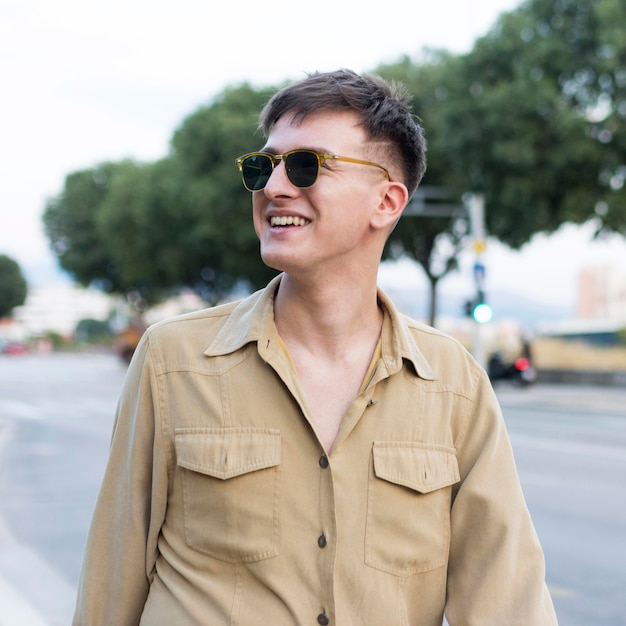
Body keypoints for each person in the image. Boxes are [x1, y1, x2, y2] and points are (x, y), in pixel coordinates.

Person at [73, 69, 558, 625]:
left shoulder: (454, 385)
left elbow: (507, 600)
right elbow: (110, 585)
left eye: (307, 165)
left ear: (387, 201)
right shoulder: (171, 361)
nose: (275, 186)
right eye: (263, 166)